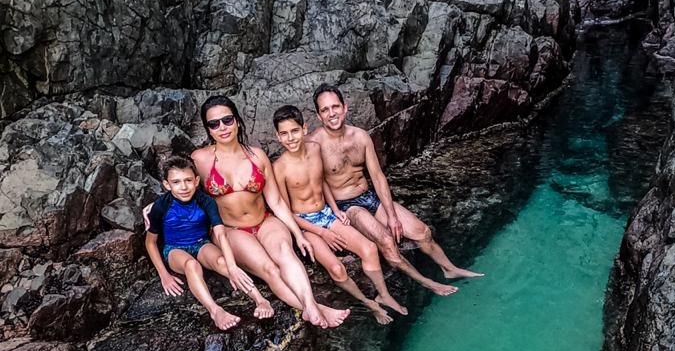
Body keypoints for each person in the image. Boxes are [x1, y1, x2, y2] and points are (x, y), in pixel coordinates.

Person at [190, 96, 349, 329]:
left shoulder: (257, 155)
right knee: (270, 269)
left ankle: (310, 306)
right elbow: (181, 185)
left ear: (237, 121)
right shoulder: (200, 159)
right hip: (232, 229)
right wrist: (155, 205)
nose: (222, 127)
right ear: (208, 129)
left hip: (264, 221)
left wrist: (298, 234)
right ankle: (314, 307)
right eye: (214, 124)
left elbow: (275, 200)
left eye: (227, 120)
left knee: (286, 252)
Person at [311, 85, 483, 295]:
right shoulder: (313, 144)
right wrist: (332, 213)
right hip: (348, 206)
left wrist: (391, 215)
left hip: (369, 197)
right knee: (386, 242)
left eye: (335, 107)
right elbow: (316, 183)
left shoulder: (361, 136)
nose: (332, 113)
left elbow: (377, 176)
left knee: (422, 232)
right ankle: (427, 283)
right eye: (325, 110)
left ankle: (449, 269)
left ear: (345, 108)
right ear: (319, 116)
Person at [272, 105, 408, 326]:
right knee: (336, 268)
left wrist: (335, 210)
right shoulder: (279, 168)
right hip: (306, 223)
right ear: (278, 137)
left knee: (370, 248)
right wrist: (321, 232)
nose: (291, 138)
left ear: (304, 128)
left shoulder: (315, 149)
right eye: (284, 134)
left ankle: (383, 294)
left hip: (326, 213)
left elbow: (322, 182)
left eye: (294, 131)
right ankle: (368, 303)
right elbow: (285, 212)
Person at [145, 155, 273, 330]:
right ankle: (215, 311)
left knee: (222, 262)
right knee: (191, 265)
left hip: (201, 243)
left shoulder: (206, 201)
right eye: (176, 182)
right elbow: (151, 242)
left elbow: (221, 234)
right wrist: (164, 275)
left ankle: (260, 299)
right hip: (174, 249)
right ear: (166, 185)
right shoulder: (161, 206)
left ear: (197, 180)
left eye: (188, 180)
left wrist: (232, 266)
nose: (183, 187)